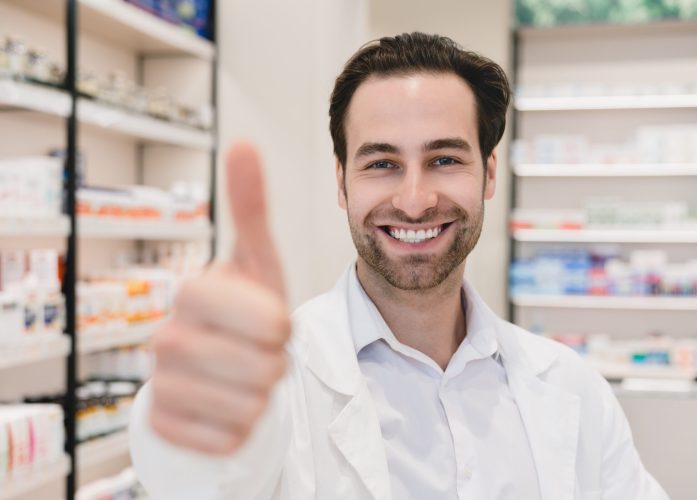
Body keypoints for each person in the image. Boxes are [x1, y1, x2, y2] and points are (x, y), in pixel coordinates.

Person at [129, 32, 669, 500]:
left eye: (445, 160)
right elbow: (200, 483)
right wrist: (198, 419)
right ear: (341, 182)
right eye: (383, 163)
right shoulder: (279, 382)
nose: (414, 201)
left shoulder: (573, 388)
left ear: (488, 175)